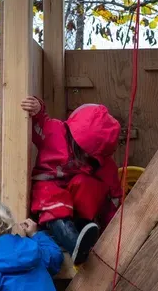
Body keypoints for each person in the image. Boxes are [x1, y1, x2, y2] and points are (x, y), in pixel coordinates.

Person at [21, 96, 122, 264]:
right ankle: (73, 243)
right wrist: (38, 109)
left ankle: (82, 234)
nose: (84, 156)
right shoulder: (55, 131)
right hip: (49, 199)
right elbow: (39, 124)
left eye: (91, 155)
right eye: (81, 149)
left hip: (77, 214)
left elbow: (113, 197)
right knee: (52, 194)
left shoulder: (104, 166)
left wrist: (117, 230)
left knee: (88, 184)